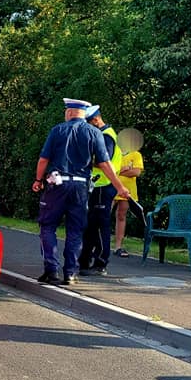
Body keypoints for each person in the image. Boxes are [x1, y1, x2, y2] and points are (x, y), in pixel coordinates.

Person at [32, 99, 130, 285]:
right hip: (81, 187)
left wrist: (38, 180)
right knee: (75, 230)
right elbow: (105, 163)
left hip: (57, 184)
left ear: (69, 113)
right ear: (84, 114)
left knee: (48, 226)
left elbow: (44, 159)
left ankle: (51, 271)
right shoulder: (95, 133)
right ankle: (70, 273)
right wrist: (119, 187)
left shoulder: (57, 130)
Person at [78, 105, 122, 276]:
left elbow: (105, 161)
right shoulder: (103, 134)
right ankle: (88, 259)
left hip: (103, 186)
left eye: (89, 123)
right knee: (91, 226)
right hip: (98, 185)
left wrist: (85, 159)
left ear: (96, 120)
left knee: (99, 226)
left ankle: (100, 262)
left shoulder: (106, 136)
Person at [112, 129, 144, 257]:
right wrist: (124, 169)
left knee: (121, 216)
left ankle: (118, 246)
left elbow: (136, 172)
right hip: (113, 187)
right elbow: (110, 169)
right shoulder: (115, 153)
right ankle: (96, 244)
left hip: (127, 190)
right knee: (102, 214)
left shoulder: (136, 155)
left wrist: (120, 171)